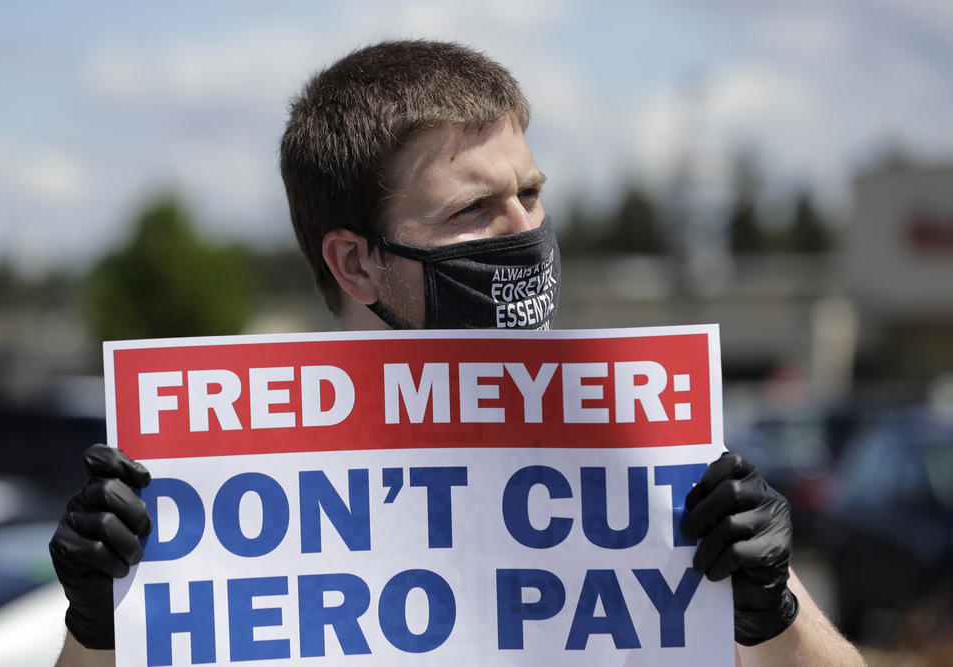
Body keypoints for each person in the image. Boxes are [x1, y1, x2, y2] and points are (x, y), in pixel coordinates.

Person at [50, 40, 865, 666]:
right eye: (476, 207)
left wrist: (774, 607)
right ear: (356, 262)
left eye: (532, 192)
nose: (525, 229)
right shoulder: (209, 478)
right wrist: (98, 624)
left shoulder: (641, 452)